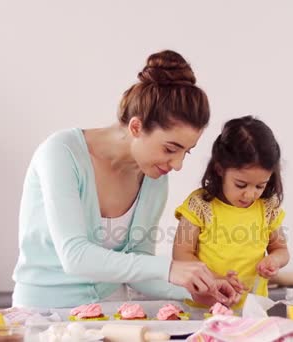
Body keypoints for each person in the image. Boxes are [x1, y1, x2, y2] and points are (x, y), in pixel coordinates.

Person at [12, 50, 238, 308]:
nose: (177, 165)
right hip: (44, 314)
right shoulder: (61, 153)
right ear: (136, 127)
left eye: (186, 152)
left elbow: (140, 269)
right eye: (170, 149)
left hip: (111, 313)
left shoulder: (153, 178)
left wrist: (194, 290)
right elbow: (75, 256)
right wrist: (170, 268)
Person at [173, 116, 290, 309]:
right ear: (219, 169)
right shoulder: (199, 205)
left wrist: (274, 260)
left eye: (260, 185)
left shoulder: (267, 208)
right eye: (241, 184)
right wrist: (214, 279)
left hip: (253, 309)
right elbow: (181, 254)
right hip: (205, 309)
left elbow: (281, 250)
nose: (250, 194)